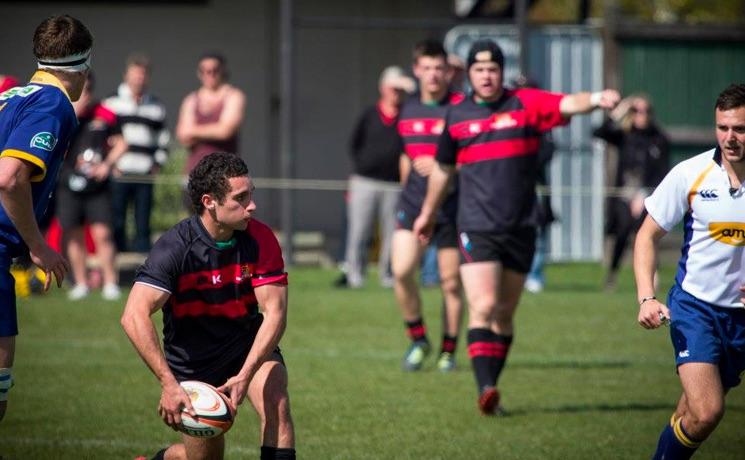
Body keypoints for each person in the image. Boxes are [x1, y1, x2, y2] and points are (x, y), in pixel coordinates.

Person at [413, 39, 620, 414]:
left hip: (522, 225)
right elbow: (442, 170)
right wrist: (427, 212)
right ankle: (485, 387)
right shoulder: (457, 116)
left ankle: (492, 385)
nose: (486, 76)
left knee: (505, 313)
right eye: (479, 70)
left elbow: (565, 103)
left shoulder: (524, 103)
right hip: (476, 225)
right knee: (484, 304)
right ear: (469, 74)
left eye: (493, 69)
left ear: (501, 72)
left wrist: (596, 98)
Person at [121, 152, 295, 460]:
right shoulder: (175, 247)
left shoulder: (261, 237)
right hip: (193, 363)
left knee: (276, 400)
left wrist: (246, 373)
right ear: (209, 202)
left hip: (245, 346)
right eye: (240, 199)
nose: (251, 205)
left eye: (251, 194)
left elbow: (275, 314)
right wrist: (169, 383)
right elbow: (133, 316)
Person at [634, 83, 745, 460]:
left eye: (740, 129)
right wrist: (646, 297)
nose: (730, 138)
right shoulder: (690, 173)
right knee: (708, 410)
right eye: (723, 127)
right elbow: (646, 236)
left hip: (740, 319)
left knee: (691, 414)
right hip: (695, 308)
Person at [0, 14, 93, 422]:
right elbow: (8, 179)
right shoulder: (53, 103)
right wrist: (38, 245)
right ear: (82, 67)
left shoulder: (8, 98)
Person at [392, 40, 464, 372]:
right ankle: (419, 339)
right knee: (403, 272)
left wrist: (442, 164)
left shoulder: (461, 107)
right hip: (412, 205)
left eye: (440, 68)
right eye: (427, 67)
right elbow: (406, 155)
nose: (433, 74)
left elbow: (475, 156)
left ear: (448, 72)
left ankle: (448, 351)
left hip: (450, 208)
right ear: (417, 69)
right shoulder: (407, 109)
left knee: (450, 283)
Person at [341, 66, 414, 288]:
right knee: (359, 232)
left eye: (400, 89)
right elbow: (354, 144)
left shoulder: (408, 115)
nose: (396, 93)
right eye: (393, 88)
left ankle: (388, 276)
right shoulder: (369, 114)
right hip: (365, 181)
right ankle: (355, 276)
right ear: (383, 88)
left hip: (394, 185)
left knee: (393, 234)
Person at [56, 72, 127, 301]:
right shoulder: (62, 113)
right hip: (68, 184)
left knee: (103, 234)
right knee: (73, 234)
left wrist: (107, 165)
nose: (83, 96)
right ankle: (81, 283)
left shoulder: (104, 113)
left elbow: (122, 143)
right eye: (79, 91)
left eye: (86, 91)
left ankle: (110, 283)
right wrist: (73, 114)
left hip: (97, 186)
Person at [595, 94, 669, 290]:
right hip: (624, 194)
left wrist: (644, 195)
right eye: (635, 111)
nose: (640, 115)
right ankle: (612, 274)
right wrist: (620, 111)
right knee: (621, 233)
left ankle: (653, 277)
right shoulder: (625, 135)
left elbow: (662, 172)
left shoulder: (658, 138)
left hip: (649, 195)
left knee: (647, 235)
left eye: (644, 111)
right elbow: (600, 132)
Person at [104, 54, 170, 253]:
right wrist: (110, 165)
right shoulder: (111, 103)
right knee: (117, 219)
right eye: (135, 75)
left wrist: (157, 164)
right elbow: (102, 139)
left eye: (143, 75)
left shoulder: (156, 106)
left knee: (143, 221)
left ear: (147, 78)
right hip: (119, 171)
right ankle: (117, 268)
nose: (139, 79)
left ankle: (143, 266)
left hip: (145, 172)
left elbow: (163, 140)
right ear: (126, 76)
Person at [176, 52, 245, 175]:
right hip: (196, 173)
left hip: (226, 173)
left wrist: (193, 131)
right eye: (205, 70)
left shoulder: (234, 96)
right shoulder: (191, 99)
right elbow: (183, 135)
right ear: (199, 73)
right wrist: (214, 129)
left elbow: (225, 131)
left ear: (223, 71)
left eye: (214, 70)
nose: (210, 74)